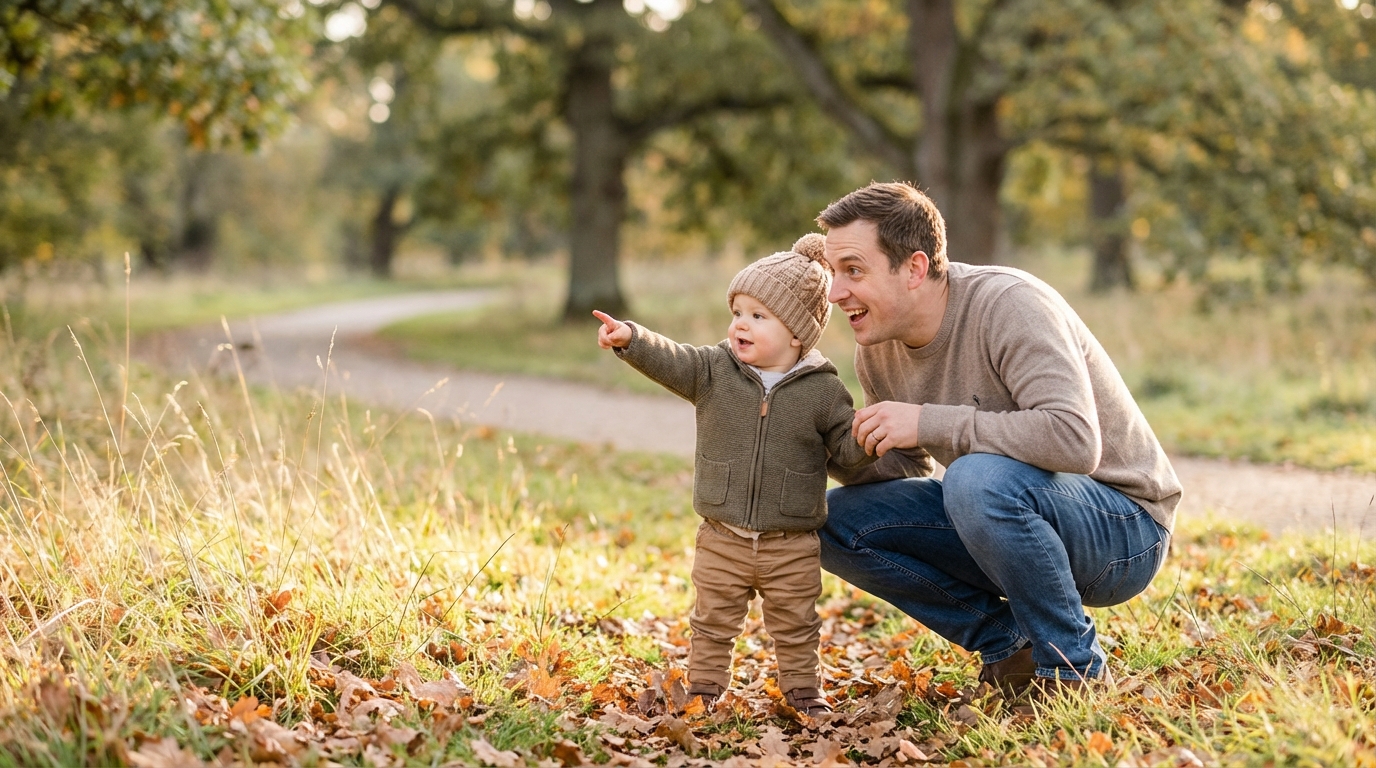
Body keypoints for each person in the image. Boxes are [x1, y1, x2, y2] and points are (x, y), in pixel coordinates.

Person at [816, 182, 1182, 699]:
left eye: (853, 270)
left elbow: (1076, 441)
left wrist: (927, 421)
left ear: (915, 268)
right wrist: (828, 450)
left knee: (974, 477)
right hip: (1005, 514)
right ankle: (1009, 647)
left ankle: (1071, 671)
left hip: (1124, 528)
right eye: (834, 273)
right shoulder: (878, 349)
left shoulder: (1010, 305)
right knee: (829, 521)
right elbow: (907, 484)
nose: (835, 292)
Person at [593, 235, 876, 716]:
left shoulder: (825, 391)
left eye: (758, 316)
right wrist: (632, 340)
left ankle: (804, 691)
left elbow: (847, 456)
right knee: (713, 619)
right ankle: (705, 687)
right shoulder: (713, 370)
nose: (740, 324)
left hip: (791, 542)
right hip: (721, 534)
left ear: (796, 335)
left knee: (795, 622)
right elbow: (672, 357)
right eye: (738, 311)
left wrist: (872, 438)